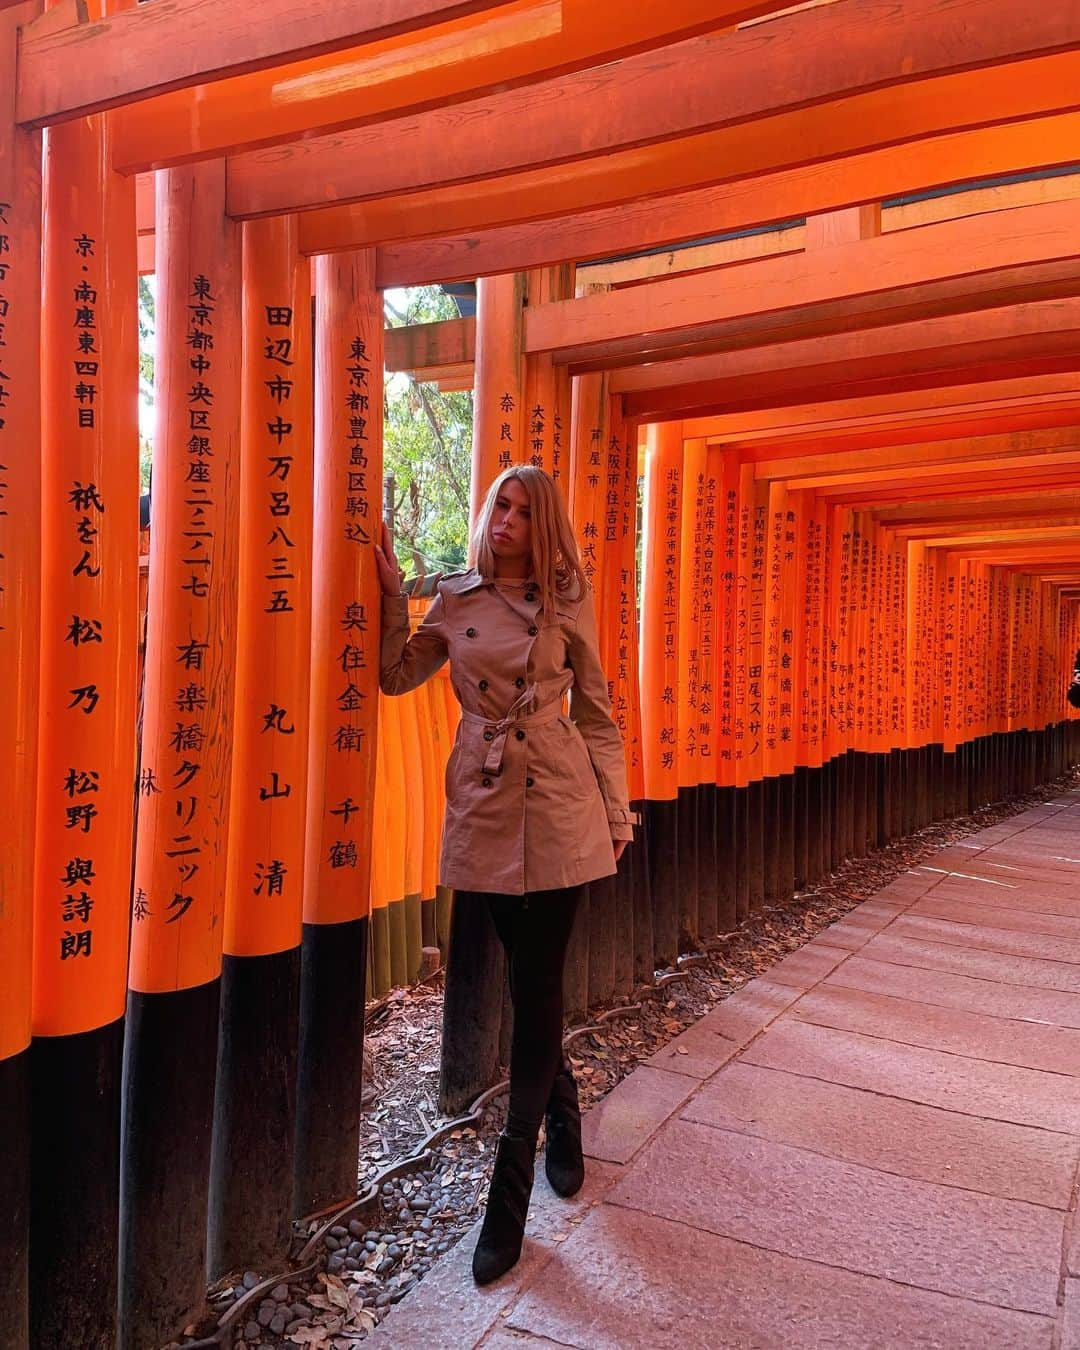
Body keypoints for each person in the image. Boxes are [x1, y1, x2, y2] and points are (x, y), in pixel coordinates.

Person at [376, 465, 637, 1285]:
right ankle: (564, 1116)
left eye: (523, 509)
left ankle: (508, 1197)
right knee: (529, 993)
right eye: (500, 506)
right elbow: (392, 674)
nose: (507, 520)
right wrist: (391, 593)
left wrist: (618, 813)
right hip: (486, 798)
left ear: (543, 520)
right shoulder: (455, 600)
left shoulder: (567, 603)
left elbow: (595, 711)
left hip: (559, 800)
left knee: (542, 984)